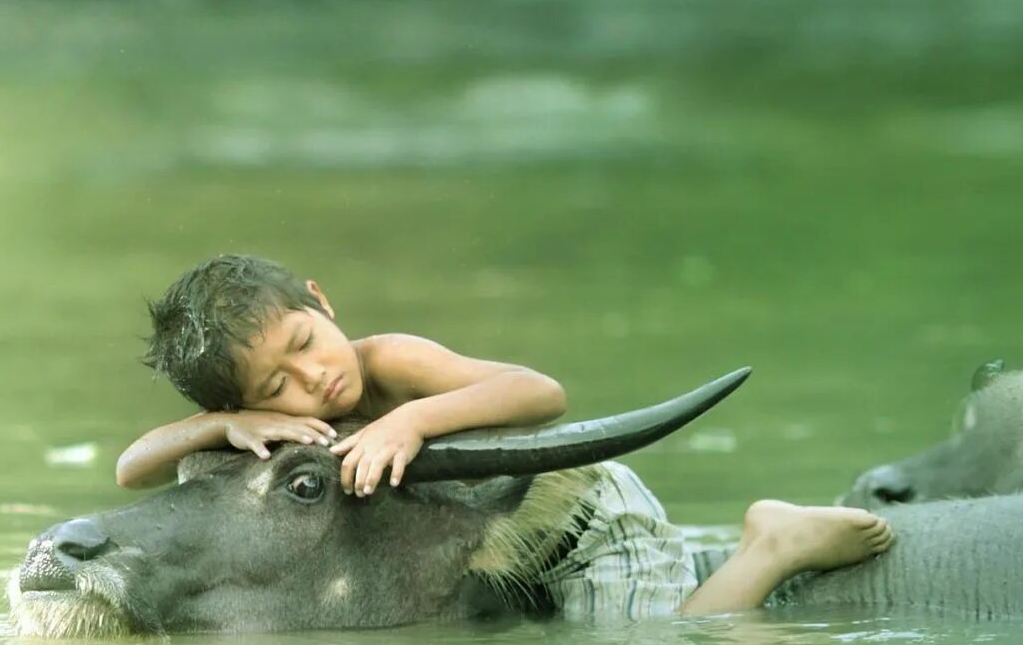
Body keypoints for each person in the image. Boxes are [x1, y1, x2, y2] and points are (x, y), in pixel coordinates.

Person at [117, 253, 891, 618]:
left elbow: (540, 394)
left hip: (575, 517)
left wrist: (410, 417)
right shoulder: (255, 419)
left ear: (321, 301)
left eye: (303, 343)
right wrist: (221, 424)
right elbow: (132, 471)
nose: (311, 381)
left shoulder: (390, 360)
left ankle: (773, 545)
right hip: (491, 541)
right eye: (274, 386)